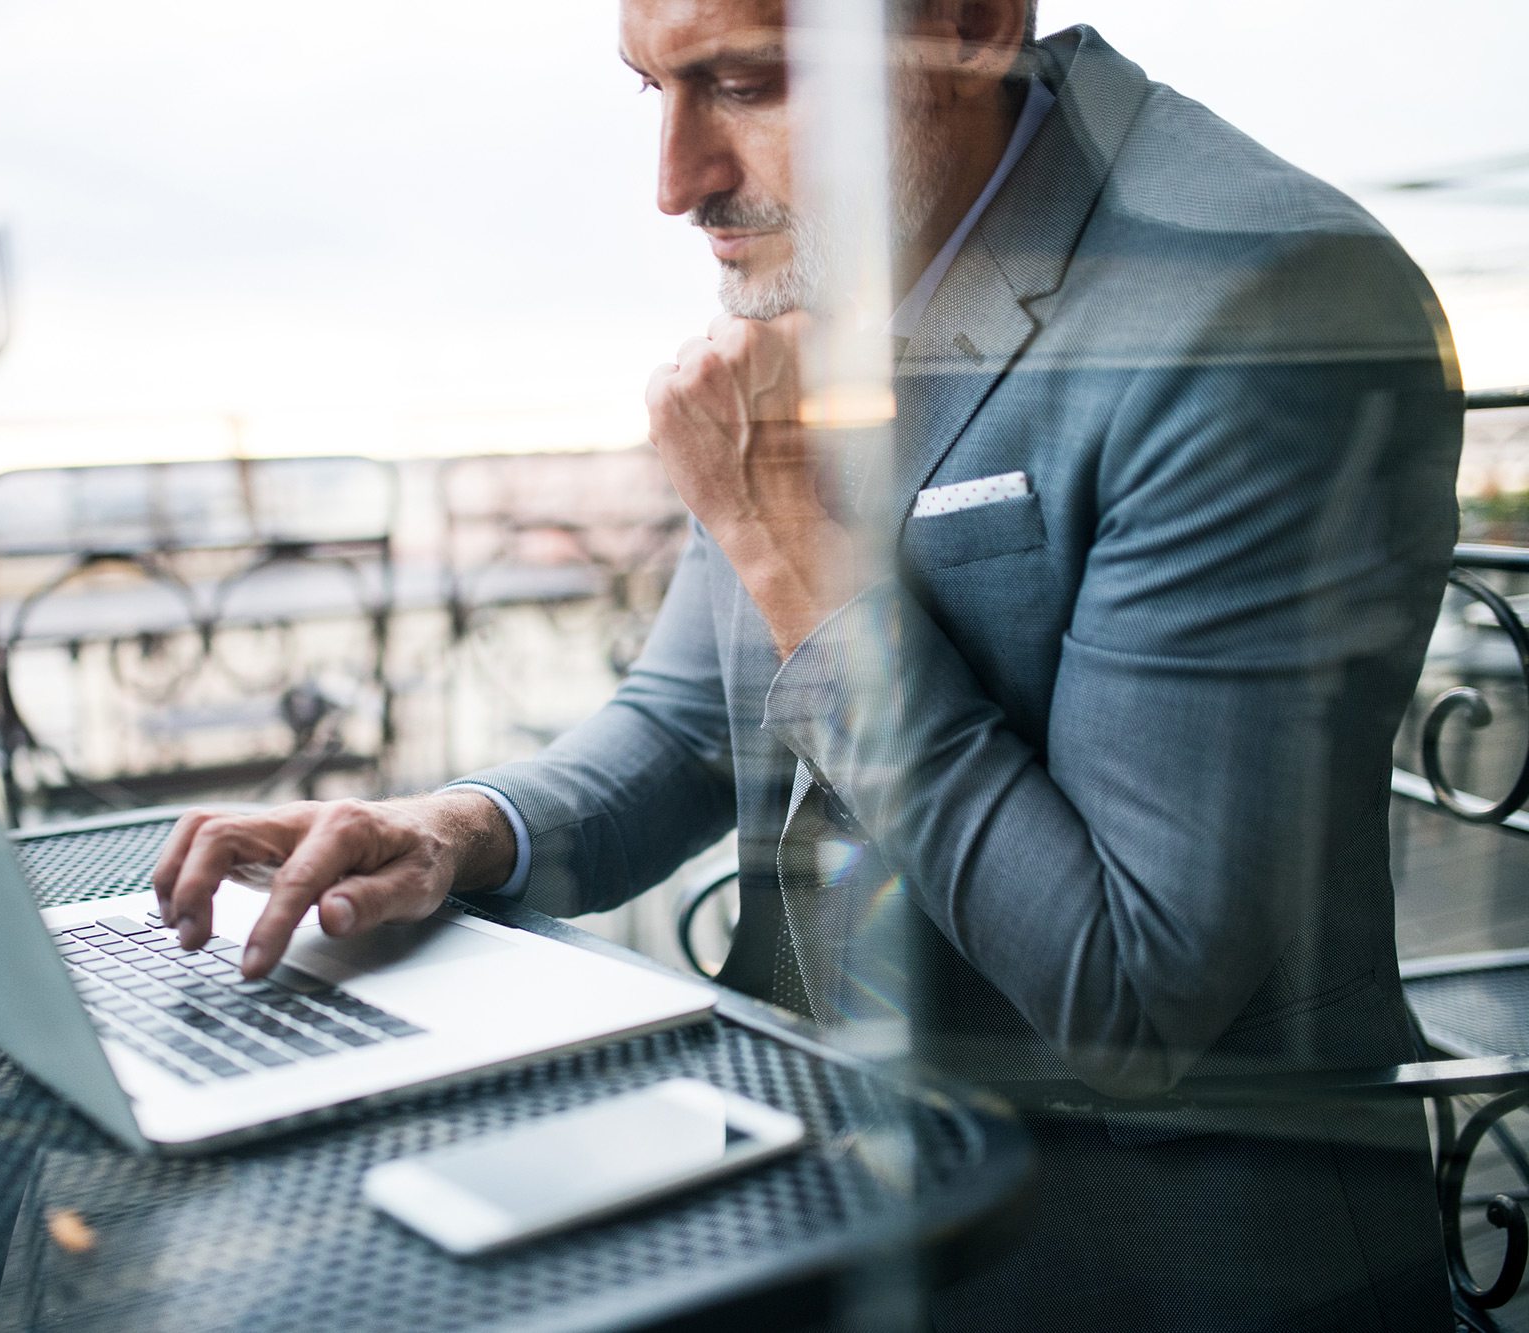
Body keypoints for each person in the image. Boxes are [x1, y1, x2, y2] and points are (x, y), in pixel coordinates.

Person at [155, 1, 1463, 1326]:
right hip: (810, 1172)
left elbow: (1130, 995)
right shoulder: (857, 245)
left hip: (1155, 1263)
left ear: (968, 24)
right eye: (651, 88)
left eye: (745, 79)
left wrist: (786, 546)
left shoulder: (1256, 307)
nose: (675, 183)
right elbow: (683, 726)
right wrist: (451, 829)